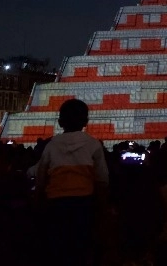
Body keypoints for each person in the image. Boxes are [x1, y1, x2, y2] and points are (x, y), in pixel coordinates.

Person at [35, 98, 110, 266]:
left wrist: (39, 197)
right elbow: (102, 179)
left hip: (55, 205)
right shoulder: (93, 145)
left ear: (60, 122)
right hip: (84, 204)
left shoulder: (52, 145)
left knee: (58, 249)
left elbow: (41, 176)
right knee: (81, 248)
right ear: (85, 121)